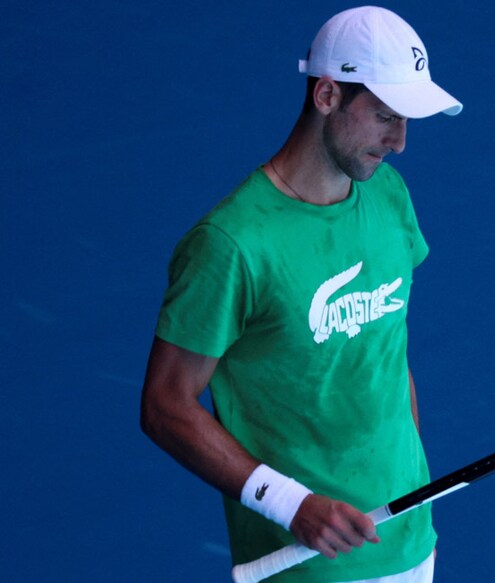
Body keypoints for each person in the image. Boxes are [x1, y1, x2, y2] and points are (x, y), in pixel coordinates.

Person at [140, 6, 461, 582]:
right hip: (308, 562)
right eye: (386, 116)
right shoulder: (231, 244)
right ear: (328, 95)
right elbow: (165, 405)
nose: (400, 142)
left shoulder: (388, 194)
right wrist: (293, 505)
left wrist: (407, 484)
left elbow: (386, 351)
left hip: (411, 539)